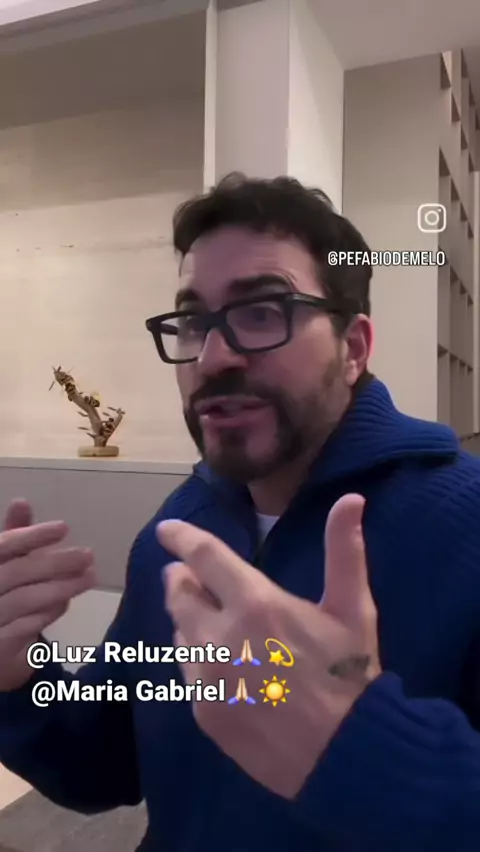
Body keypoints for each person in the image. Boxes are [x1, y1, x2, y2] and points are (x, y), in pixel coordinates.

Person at [0, 173, 480, 852]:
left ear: (353, 349)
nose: (213, 356)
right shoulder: (178, 530)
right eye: (194, 322)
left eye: (262, 312)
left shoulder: (466, 525)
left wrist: (366, 750)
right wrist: (17, 678)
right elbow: (105, 760)